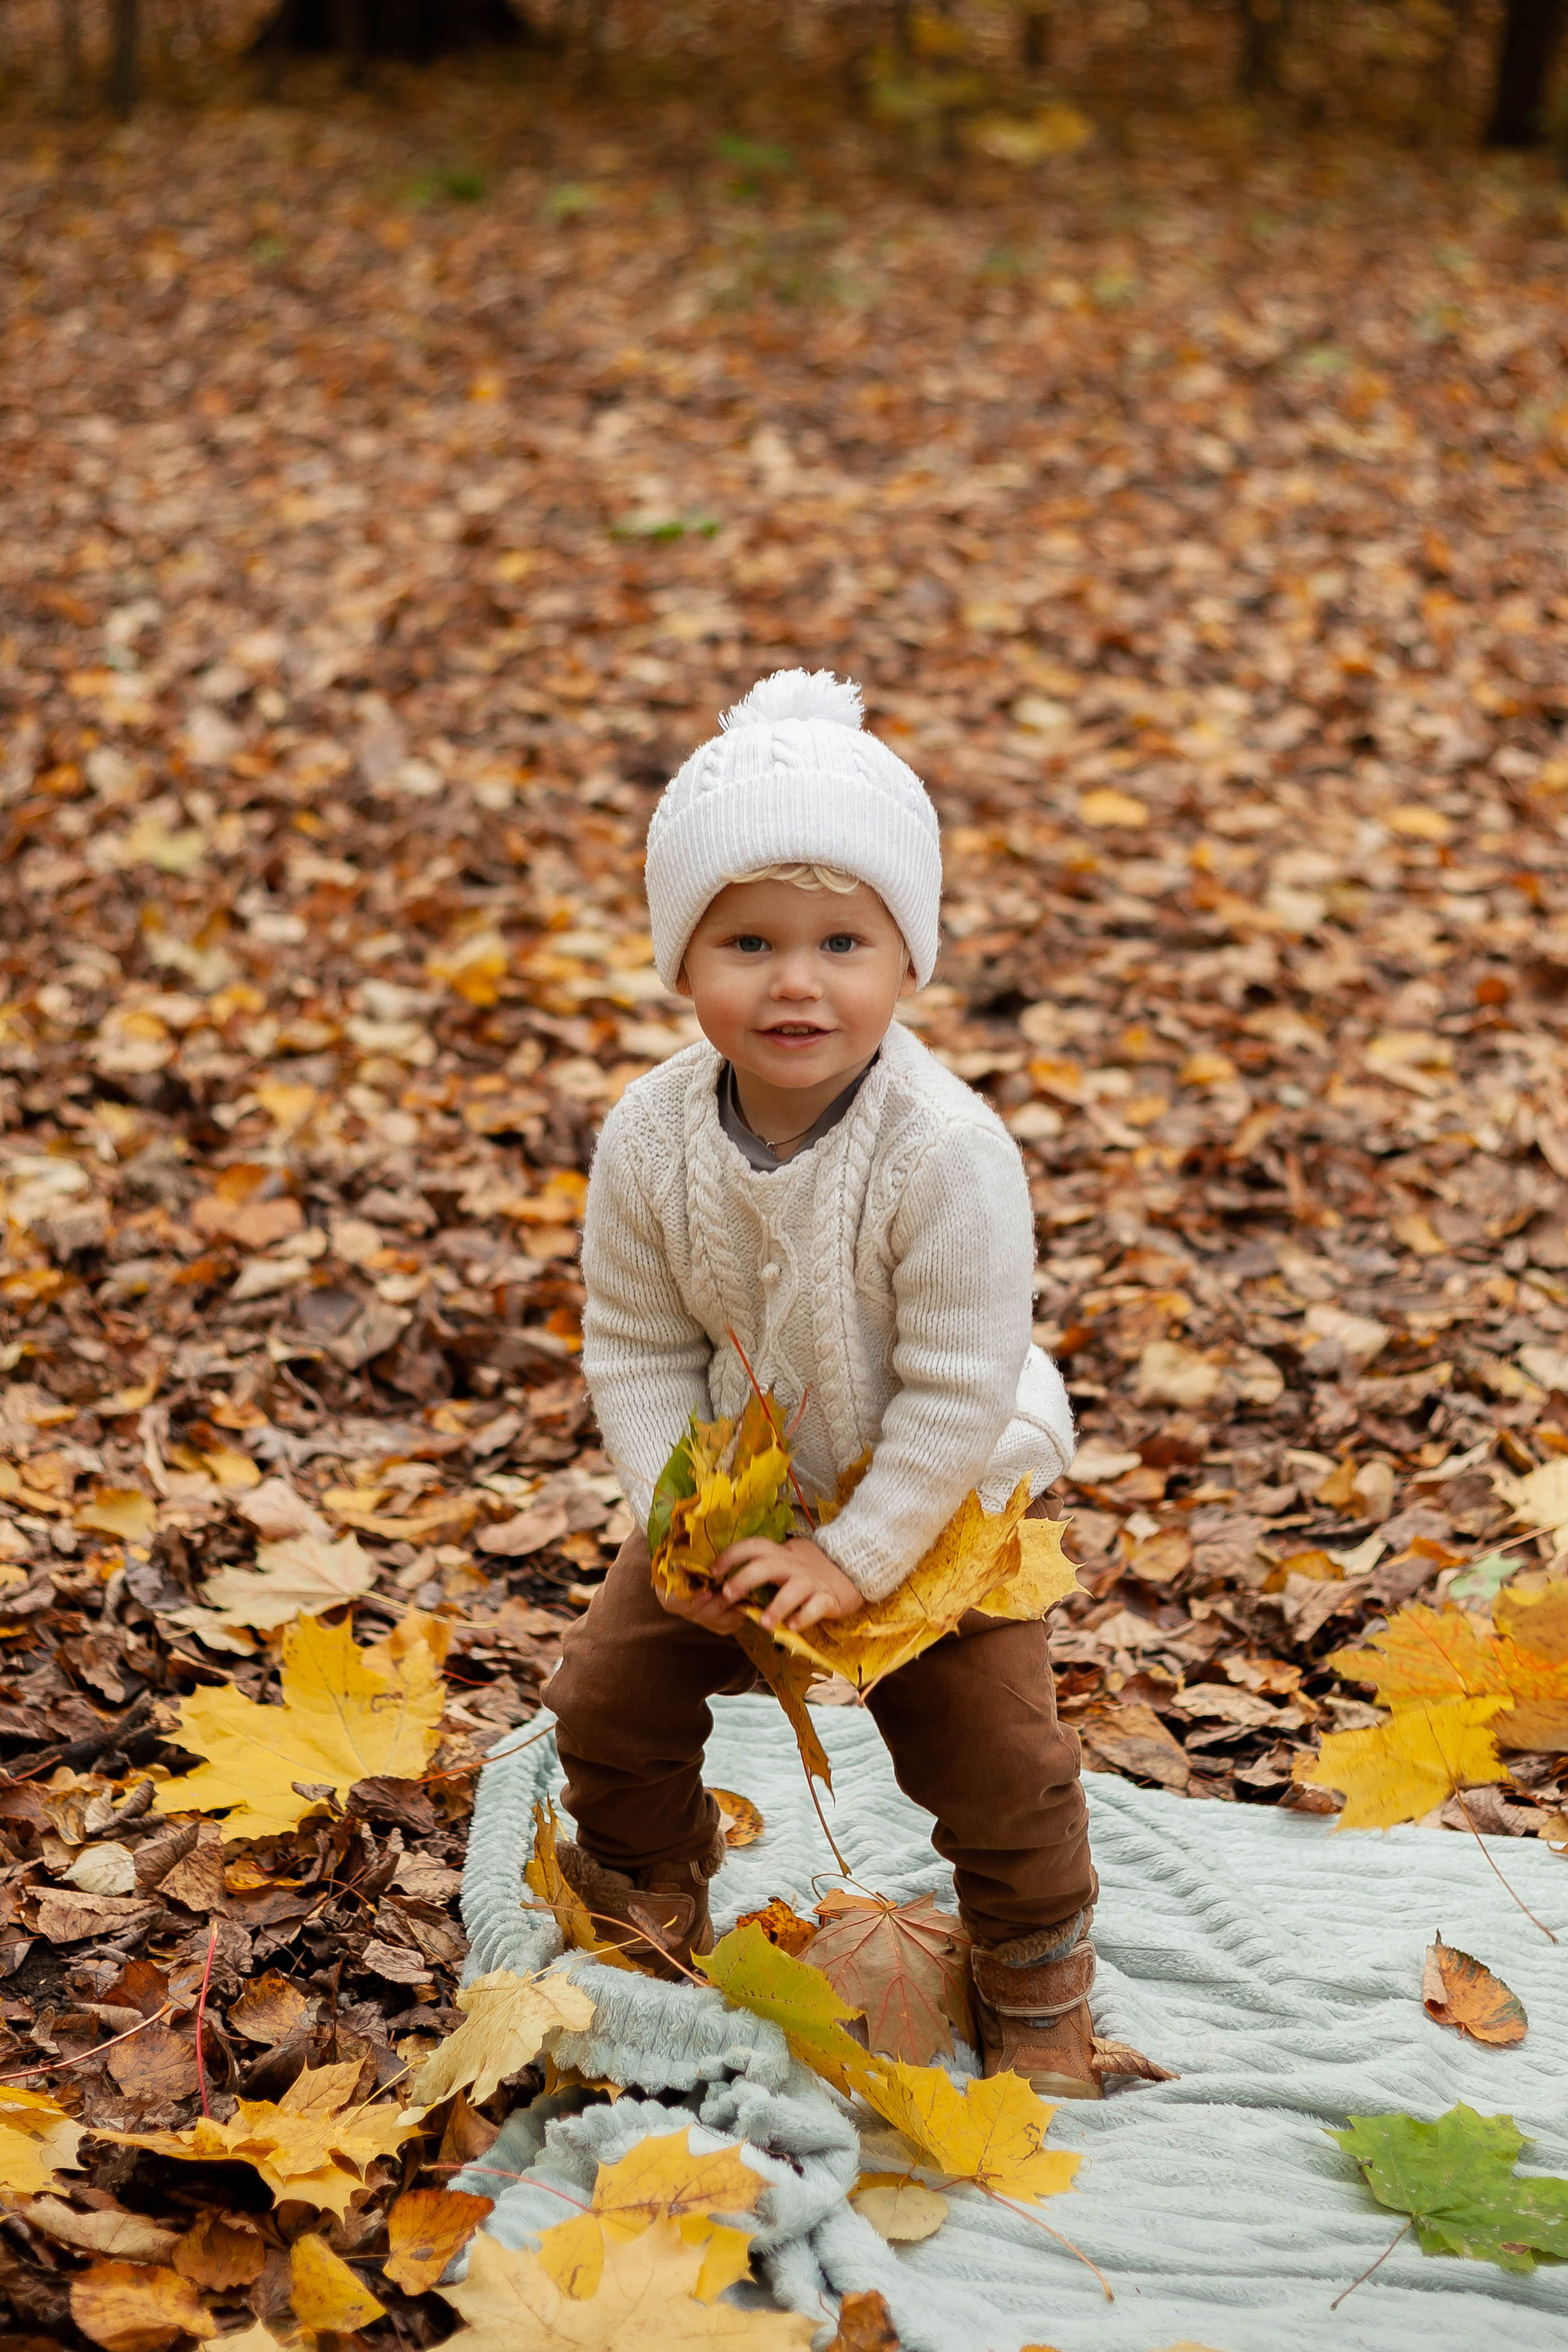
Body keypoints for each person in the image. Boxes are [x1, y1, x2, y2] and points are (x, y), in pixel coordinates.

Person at [547, 668, 1099, 2097]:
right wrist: (682, 1523)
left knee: (997, 1759)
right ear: (683, 962)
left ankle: (1036, 1975)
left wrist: (858, 1558)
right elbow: (635, 1341)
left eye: (842, 940)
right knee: (605, 1699)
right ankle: (653, 1901)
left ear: (906, 962)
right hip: (740, 1484)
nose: (796, 982)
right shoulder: (651, 1135)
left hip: (932, 1484)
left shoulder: (943, 1152)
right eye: (747, 942)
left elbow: (957, 1383)